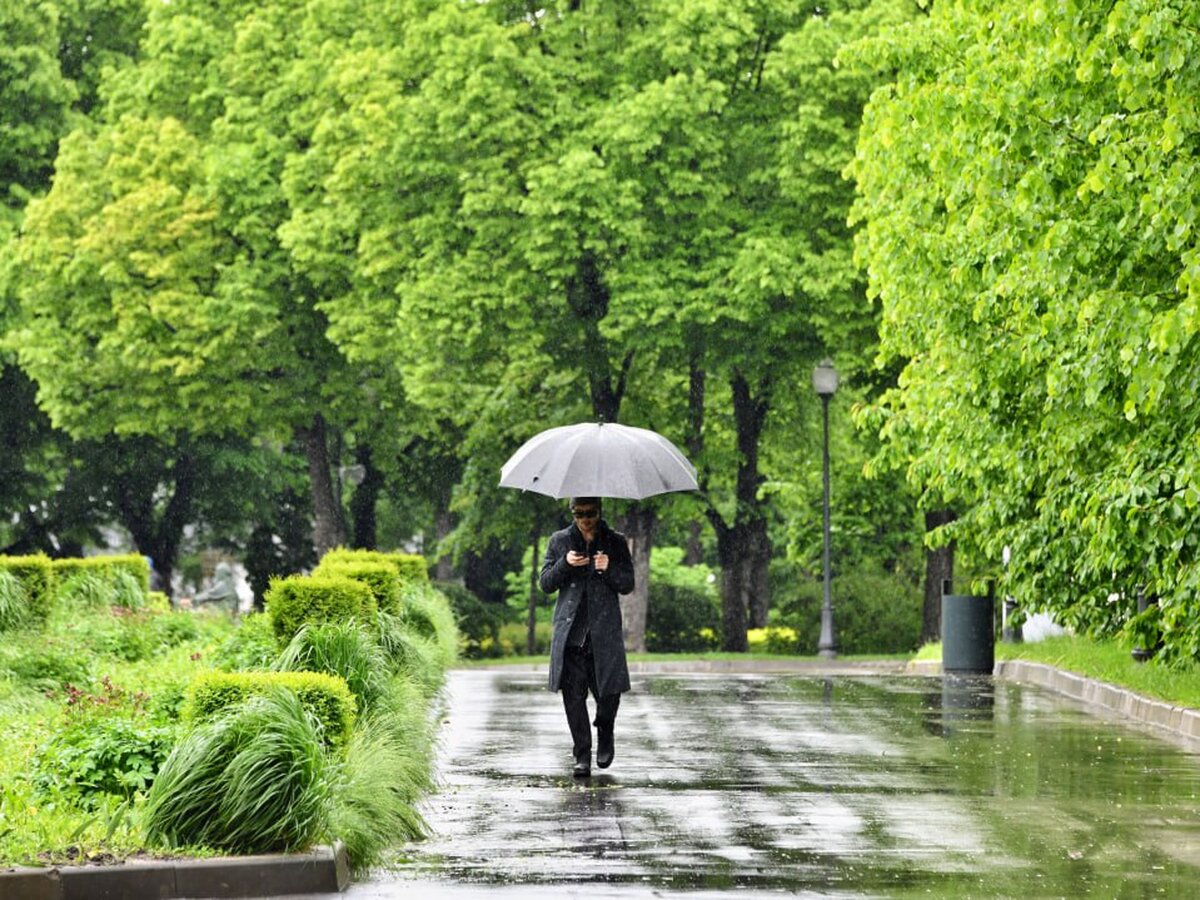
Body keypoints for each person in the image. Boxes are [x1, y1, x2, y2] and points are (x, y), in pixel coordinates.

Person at [540, 496, 635, 778]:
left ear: (598, 511)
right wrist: (565, 564)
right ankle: (582, 755)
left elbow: (628, 584)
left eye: (590, 513)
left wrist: (608, 569)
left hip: (603, 634)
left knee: (609, 696)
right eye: (579, 514)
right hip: (571, 636)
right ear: (572, 513)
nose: (585, 519)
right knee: (573, 698)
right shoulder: (560, 541)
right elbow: (545, 583)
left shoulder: (615, 541)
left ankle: (605, 729)